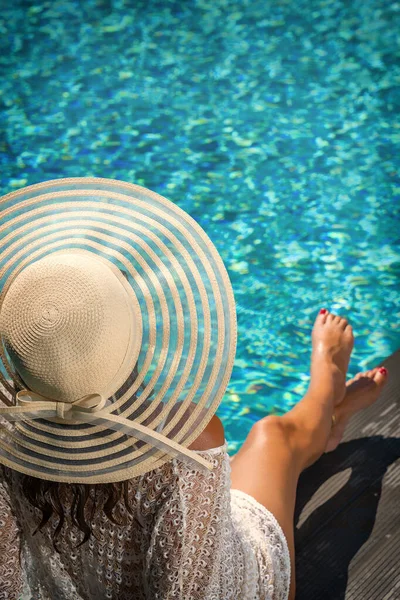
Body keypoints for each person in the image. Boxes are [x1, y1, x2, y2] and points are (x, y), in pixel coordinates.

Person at [0, 178, 388, 600]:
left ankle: (329, 416)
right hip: (240, 585)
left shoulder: (7, 442)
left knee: (241, 467)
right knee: (272, 436)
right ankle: (324, 389)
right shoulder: (183, 442)